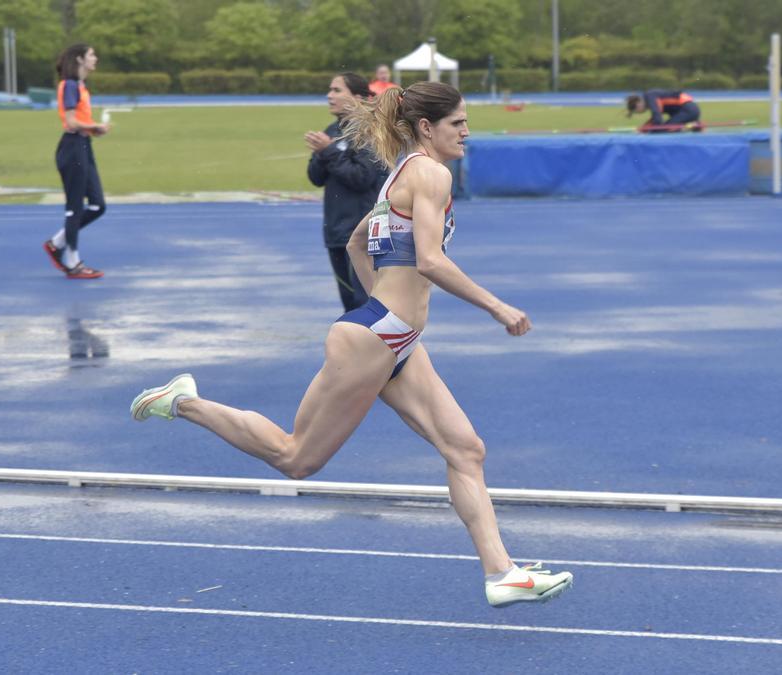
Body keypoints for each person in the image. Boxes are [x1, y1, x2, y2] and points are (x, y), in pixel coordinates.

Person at [131, 81, 573, 609]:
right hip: (376, 337)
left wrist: (382, 311)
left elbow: (356, 242)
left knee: (466, 449)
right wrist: (495, 306)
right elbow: (429, 260)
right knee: (296, 458)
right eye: (458, 123)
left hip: (392, 338)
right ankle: (183, 401)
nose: (467, 132)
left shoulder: (399, 177)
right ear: (427, 128)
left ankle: (501, 573)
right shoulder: (430, 173)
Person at [306, 72, 388, 312]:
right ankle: (357, 350)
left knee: (367, 304)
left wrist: (329, 152)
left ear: (359, 98)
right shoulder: (332, 130)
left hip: (361, 234)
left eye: (337, 90)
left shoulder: (370, 131)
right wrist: (322, 153)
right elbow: (315, 178)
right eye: (330, 90)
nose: (329, 95)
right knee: (350, 306)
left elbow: (362, 178)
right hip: (336, 232)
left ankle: (380, 349)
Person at [42, 43, 110, 280]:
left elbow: (79, 121)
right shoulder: (70, 85)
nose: (95, 58)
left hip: (83, 146)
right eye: (92, 55)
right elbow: (71, 122)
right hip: (72, 148)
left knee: (98, 205)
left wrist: (93, 130)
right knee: (74, 207)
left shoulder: (81, 86)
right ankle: (72, 262)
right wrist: (94, 126)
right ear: (80, 59)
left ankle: (57, 243)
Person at [626, 90, 701, 132]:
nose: (639, 113)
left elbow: (657, 118)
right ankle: (694, 125)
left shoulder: (649, 96)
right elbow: (655, 117)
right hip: (685, 110)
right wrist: (643, 129)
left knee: (660, 130)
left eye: (636, 111)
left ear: (638, 104)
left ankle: (693, 125)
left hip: (687, 109)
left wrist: (644, 130)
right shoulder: (649, 97)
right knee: (660, 129)